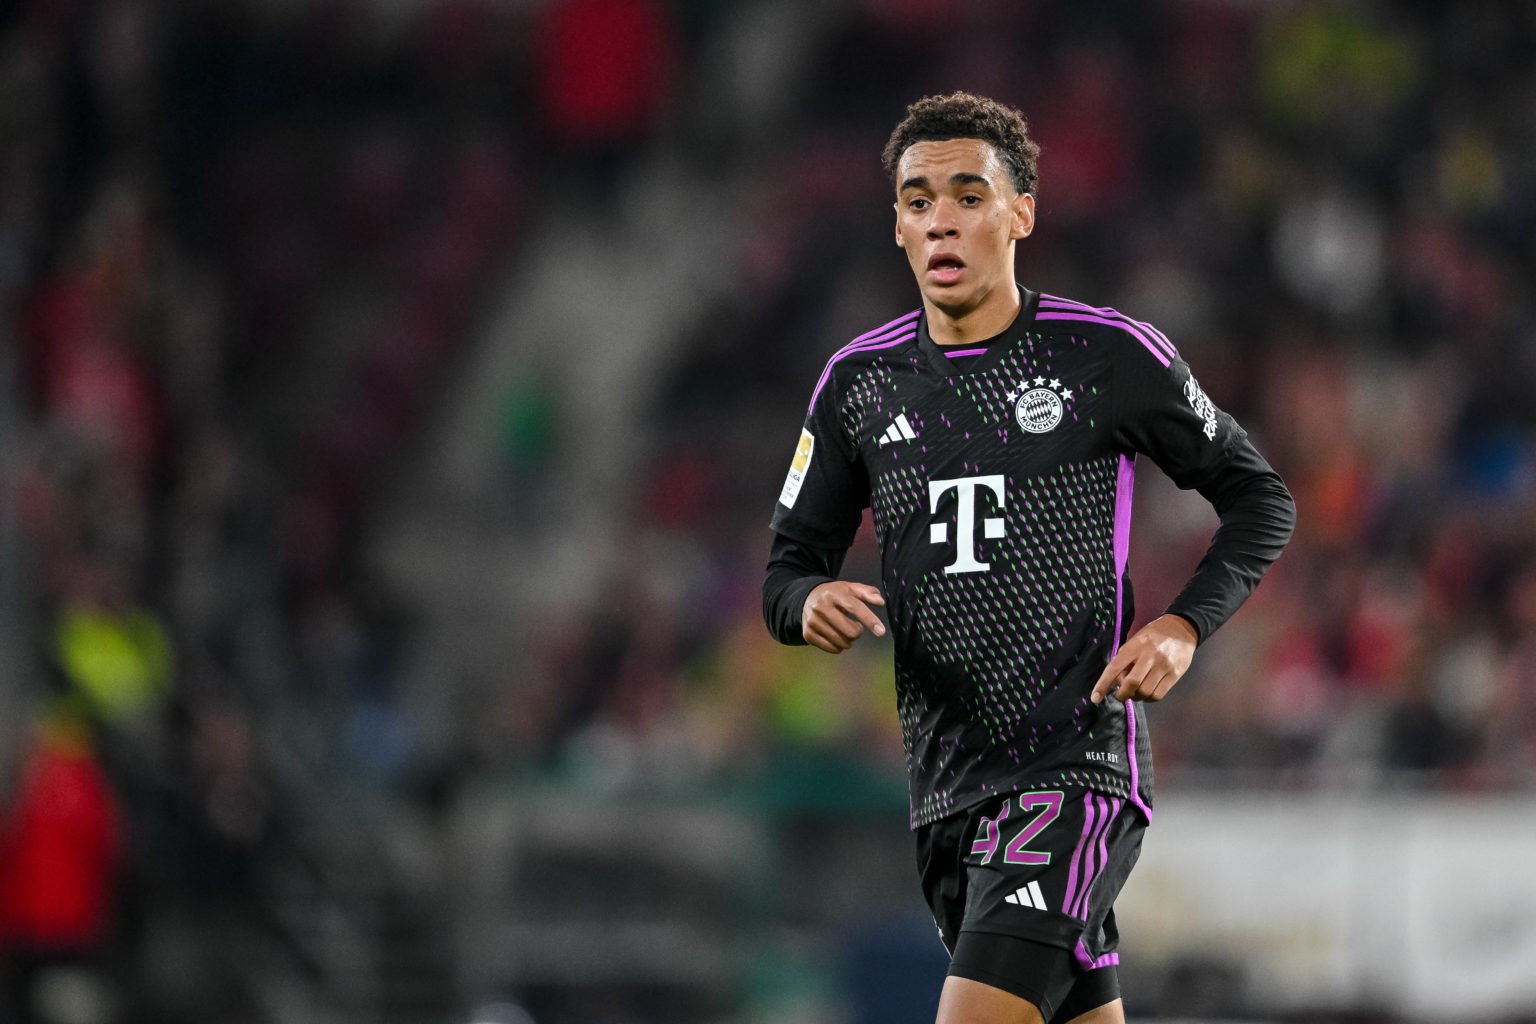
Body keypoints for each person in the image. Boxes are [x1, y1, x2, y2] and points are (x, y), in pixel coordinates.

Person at [762, 92, 1295, 1024]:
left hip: (1074, 768)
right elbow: (785, 570)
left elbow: (1261, 499)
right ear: (895, 224)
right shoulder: (857, 385)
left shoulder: (1105, 354)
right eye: (918, 200)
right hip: (945, 790)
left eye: (969, 195)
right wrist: (807, 603)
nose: (941, 221)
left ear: (1022, 213)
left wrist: (1181, 625)